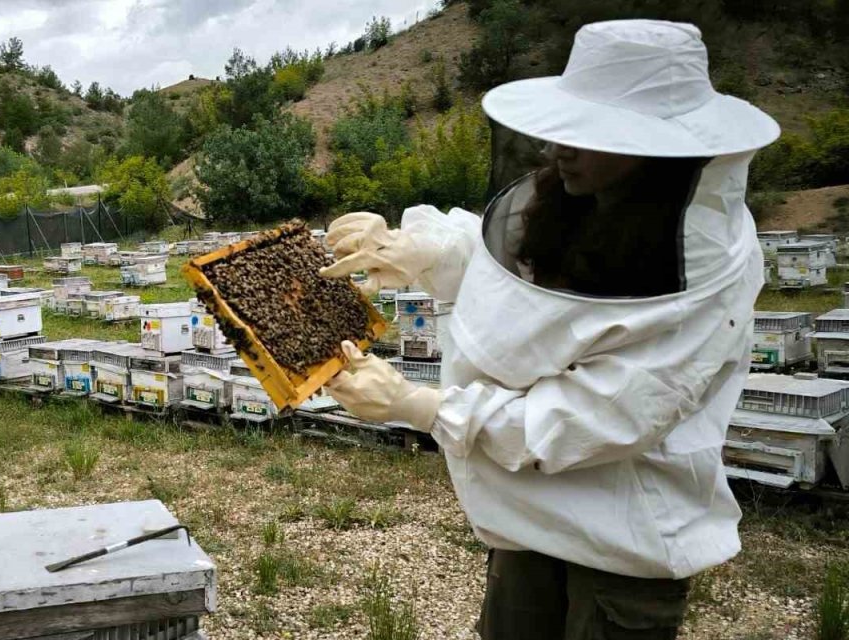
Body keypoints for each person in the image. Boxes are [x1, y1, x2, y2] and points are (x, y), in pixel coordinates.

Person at [320, 20, 779, 640]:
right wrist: (410, 251)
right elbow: (507, 282)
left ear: (657, 150)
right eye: (566, 129)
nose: (559, 150)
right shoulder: (574, 197)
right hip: (525, 517)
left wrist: (418, 405)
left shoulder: (707, 267)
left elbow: (598, 417)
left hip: (626, 535)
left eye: (590, 137)